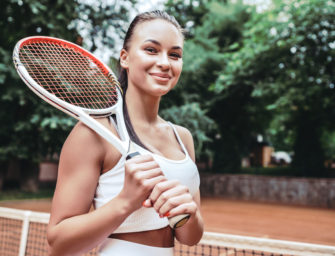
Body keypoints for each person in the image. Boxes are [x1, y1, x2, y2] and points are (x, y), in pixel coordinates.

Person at [47, 10, 204, 256]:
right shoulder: (93, 133)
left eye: (175, 54)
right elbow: (58, 244)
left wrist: (190, 214)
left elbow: (189, 238)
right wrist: (126, 201)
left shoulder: (182, 137)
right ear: (125, 58)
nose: (165, 62)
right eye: (151, 50)